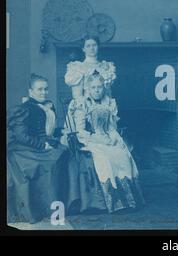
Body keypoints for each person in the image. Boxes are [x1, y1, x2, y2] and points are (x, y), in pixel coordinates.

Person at [67, 72, 145, 213]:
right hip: (90, 140)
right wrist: (97, 138)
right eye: (94, 87)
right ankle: (114, 202)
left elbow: (111, 127)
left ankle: (128, 200)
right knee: (105, 159)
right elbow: (80, 130)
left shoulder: (109, 102)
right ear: (88, 88)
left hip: (107, 137)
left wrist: (115, 138)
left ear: (104, 88)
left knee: (122, 154)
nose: (97, 90)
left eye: (100, 87)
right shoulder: (82, 103)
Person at [7, 74, 73, 223]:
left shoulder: (47, 106)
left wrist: (60, 133)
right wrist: (42, 145)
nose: (43, 92)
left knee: (66, 153)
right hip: (25, 148)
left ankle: (65, 205)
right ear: (31, 91)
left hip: (42, 144)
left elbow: (45, 131)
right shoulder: (24, 109)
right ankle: (48, 208)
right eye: (39, 89)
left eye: (46, 89)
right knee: (53, 160)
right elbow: (21, 136)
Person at [65, 35, 116, 101]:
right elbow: (77, 96)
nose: (92, 48)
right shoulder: (78, 68)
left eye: (94, 45)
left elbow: (108, 93)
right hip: (86, 106)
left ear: (98, 47)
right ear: (83, 49)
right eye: (88, 46)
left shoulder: (106, 67)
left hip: (104, 106)